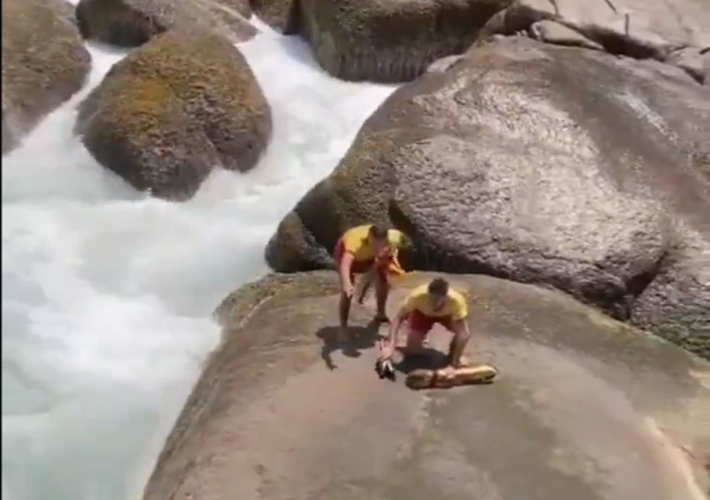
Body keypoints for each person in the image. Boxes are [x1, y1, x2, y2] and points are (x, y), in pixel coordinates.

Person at [379, 278, 471, 376]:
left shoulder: (456, 301)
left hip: (447, 316)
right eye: (431, 299)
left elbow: (463, 334)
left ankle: (454, 358)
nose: (434, 303)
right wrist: (391, 345)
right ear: (428, 293)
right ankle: (421, 351)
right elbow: (398, 318)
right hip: (423, 314)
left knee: (461, 335)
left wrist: (454, 363)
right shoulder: (417, 296)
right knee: (412, 350)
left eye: (438, 300)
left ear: (445, 297)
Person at [333, 223, 406, 333]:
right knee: (347, 291)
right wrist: (347, 283)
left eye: (381, 244)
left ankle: (381, 313)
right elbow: (345, 263)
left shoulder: (392, 240)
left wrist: (381, 260)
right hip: (346, 253)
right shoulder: (355, 242)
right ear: (369, 238)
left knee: (383, 279)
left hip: (370, 256)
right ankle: (343, 327)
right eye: (376, 244)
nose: (378, 247)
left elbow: (379, 263)